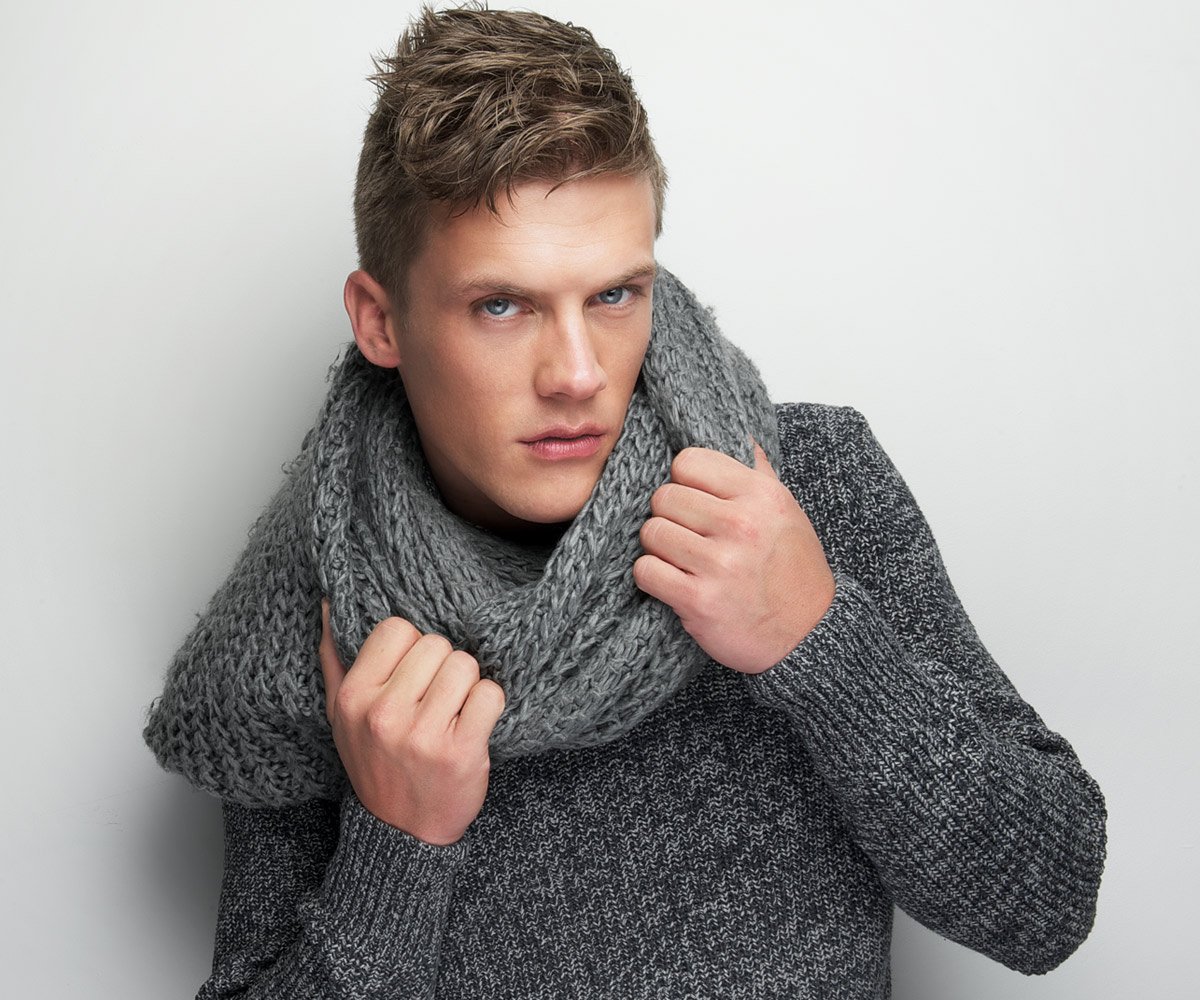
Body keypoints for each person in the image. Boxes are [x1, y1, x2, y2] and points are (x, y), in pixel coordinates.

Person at [142, 5, 1107, 997]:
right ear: (380, 322)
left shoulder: (802, 485)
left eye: (613, 295)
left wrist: (821, 642)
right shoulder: (317, 610)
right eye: (502, 305)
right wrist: (397, 850)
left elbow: (1048, 904)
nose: (577, 374)